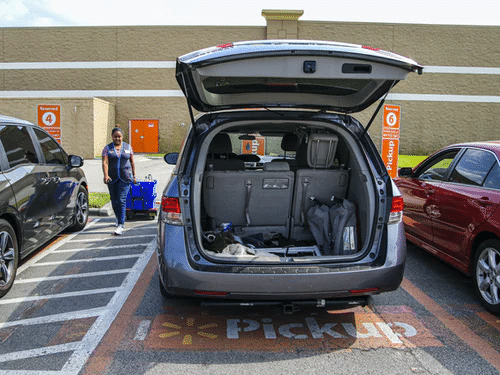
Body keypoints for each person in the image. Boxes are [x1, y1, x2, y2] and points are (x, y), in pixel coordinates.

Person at [102, 127, 137, 235]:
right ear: (112, 137)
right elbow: (105, 162)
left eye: (119, 136)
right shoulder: (107, 148)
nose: (117, 138)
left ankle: (121, 225)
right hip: (112, 178)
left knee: (121, 199)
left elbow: (132, 162)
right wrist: (106, 175)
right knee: (114, 199)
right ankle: (118, 217)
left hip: (125, 177)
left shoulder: (128, 147)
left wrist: (134, 175)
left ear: (122, 137)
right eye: (115, 136)